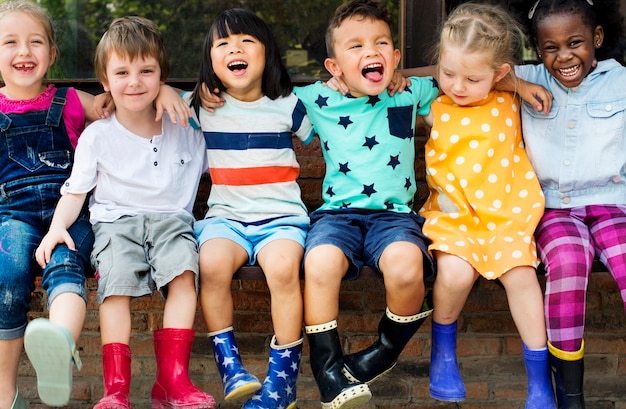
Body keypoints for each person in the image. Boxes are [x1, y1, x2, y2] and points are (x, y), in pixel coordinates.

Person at [35, 16, 214, 409]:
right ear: (104, 82)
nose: (135, 82)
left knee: (185, 276)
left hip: (173, 222)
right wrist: (55, 229)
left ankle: (173, 382)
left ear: (161, 75)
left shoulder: (187, 121)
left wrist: (173, 92)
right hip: (116, 224)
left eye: (147, 72)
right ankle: (116, 390)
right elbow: (75, 191)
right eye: (122, 72)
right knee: (114, 289)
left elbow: (228, 92)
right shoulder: (98, 135)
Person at [293, 1, 438, 407]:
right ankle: (327, 371)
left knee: (408, 269)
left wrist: (405, 74)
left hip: (394, 219)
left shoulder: (408, 91)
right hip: (337, 216)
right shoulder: (317, 98)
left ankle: (383, 352)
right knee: (318, 264)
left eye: (380, 44)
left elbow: (460, 71)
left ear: (393, 57)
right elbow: (256, 90)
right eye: (354, 46)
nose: (369, 52)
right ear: (334, 66)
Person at [414, 4, 556, 408]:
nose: (458, 86)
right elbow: (402, 79)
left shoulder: (508, 99)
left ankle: (539, 381)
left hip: (507, 219)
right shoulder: (433, 105)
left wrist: (519, 87)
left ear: (498, 73)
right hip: (454, 219)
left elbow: (513, 81)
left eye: (472, 78)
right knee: (455, 274)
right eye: (448, 73)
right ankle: (443, 354)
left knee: (522, 277)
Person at [185, 8, 313, 409]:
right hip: (227, 218)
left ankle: (282, 381)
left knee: (282, 270)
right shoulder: (201, 108)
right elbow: (147, 94)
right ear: (210, 62)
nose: (234, 49)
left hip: (282, 220)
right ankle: (231, 367)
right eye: (222, 44)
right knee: (212, 265)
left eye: (246, 41)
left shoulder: (289, 105)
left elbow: (328, 120)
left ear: (267, 53)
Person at [510, 1, 626, 407]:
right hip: (554, 209)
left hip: (613, 204)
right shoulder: (525, 77)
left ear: (596, 39)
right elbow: (463, 71)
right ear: (537, 49)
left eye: (575, 42)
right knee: (568, 262)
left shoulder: (622, 82)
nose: (564, 56)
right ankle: (570, 394)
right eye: (550, 47)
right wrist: (518, 86)